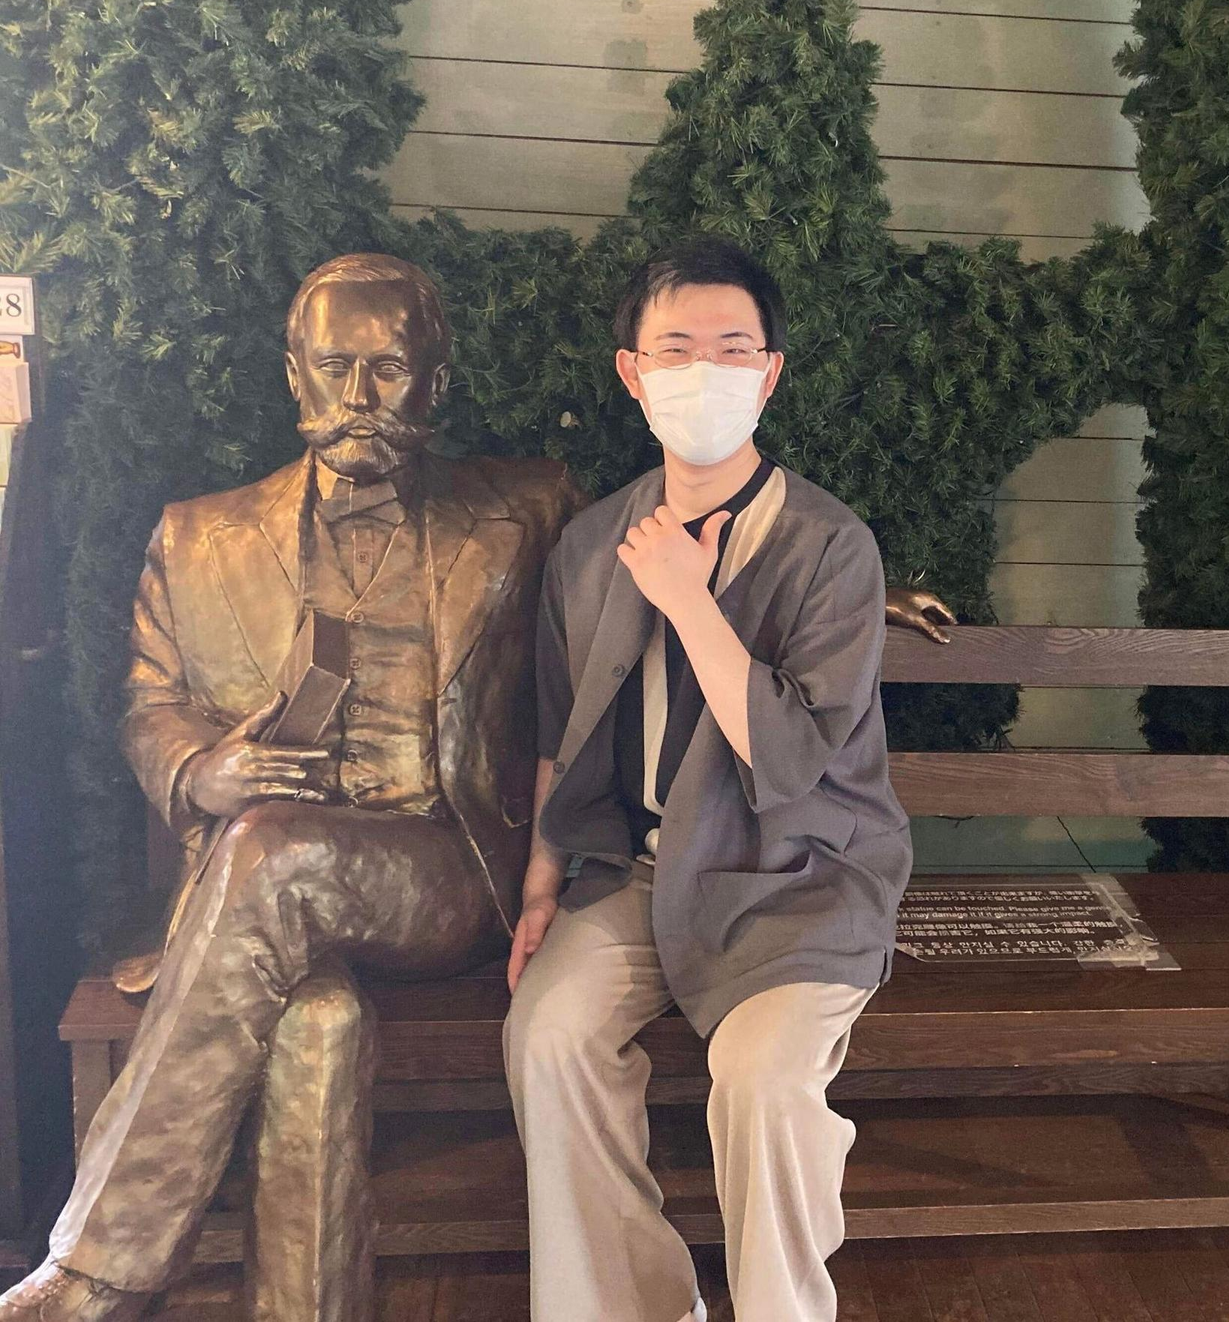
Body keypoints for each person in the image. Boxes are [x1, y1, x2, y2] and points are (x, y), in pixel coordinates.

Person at [0, 253, 581, 1322]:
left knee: (273, 850)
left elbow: (658, 570)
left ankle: (98, 1268)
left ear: (435, 383)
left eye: (389, 369)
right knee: (316, 1022)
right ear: (293, 374)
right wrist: (201, 769)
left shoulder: (527, 508)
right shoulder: (199, 534)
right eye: (334, 365)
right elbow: (148, 701)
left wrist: (847, 586)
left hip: (442, 867)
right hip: (257, 900)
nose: (360, 396)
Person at [503, 236, 915, 1322]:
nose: (704, 372)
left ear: (769, 373)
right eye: (675, 348)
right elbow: (560, 729)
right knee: (549, 1036)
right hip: (643, 873)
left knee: (767, 1082)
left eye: (733, 348)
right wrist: (542, 883)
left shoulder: (831, 546)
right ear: (632, 372)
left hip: (801, 875)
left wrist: (690, 597)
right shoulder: (593, 543)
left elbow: (792, 761)